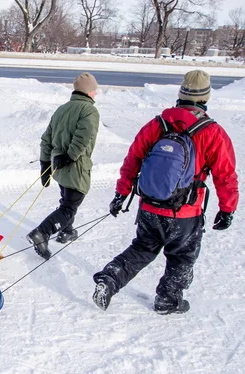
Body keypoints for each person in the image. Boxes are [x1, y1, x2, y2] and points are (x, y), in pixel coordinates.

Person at [93, 70, 238, 315]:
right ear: (205, 99)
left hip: (150, 205)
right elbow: (225, 175)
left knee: (142, 248)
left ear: (180, 95)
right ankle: (168, 300)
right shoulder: (212, 132)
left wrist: (121, 193)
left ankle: (109, 279)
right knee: (182, 255)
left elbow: (133, 160)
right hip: (185, 213)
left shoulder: (157, 124)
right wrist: (227, 210)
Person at [27, 72, 101, 259]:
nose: (96, 94)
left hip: (59, 167)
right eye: (94, 90)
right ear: (89, 92)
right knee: (69, 207)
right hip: (74, 166)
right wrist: (70, 156)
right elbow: (83, 137)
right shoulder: (89, 111)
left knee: (67, 199)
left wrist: (46, 164)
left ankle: (67, 231)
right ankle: (42, 233)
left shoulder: (62, 109)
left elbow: (47, 139)